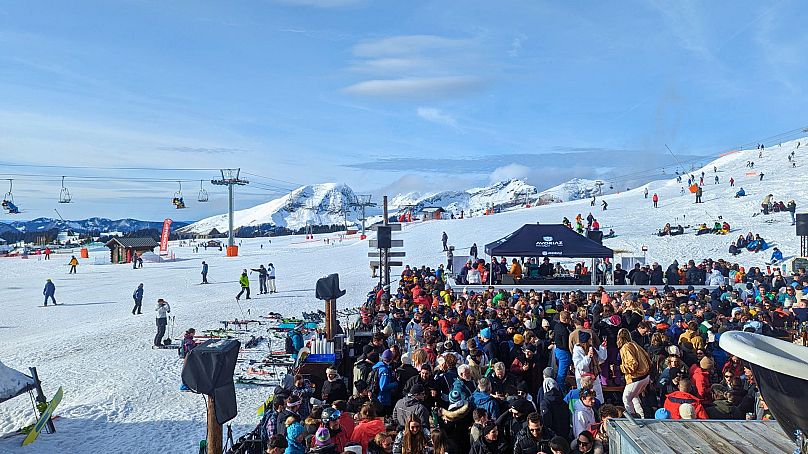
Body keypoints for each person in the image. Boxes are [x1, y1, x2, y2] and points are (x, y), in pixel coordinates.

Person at [617, 328, 651, 418]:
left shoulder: (626, 347)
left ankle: (632, 419)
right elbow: (647, 357)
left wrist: (620, 368)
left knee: (626, 398)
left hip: (637, 377)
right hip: (645, 376)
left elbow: (633, 364)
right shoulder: (634, 344)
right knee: (634, 397)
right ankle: (642, 417)